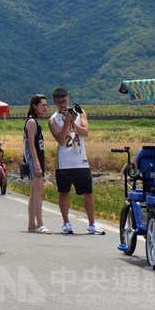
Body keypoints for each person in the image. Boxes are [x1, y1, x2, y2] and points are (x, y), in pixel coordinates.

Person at [48, 87, 105, 235]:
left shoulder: (80, 113)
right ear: (55, 102)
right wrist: (66, 123)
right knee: (64, 192)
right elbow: (60, 140)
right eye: (59, 102)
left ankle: (92, 223)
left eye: (65, 101)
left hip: (81, 161)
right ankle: (66, 223)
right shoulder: (53, 119)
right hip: (64, 162)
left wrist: (74, 123)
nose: (62, 105)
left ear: (69, 99)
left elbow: (85, 132)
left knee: (88, 192)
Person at [24, 94, 50, 233]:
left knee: (34, 193)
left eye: (46, 105)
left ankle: (31, 224)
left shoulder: (34, 121)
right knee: (38, 192)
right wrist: (37, 163)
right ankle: (40, 223)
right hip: (34, 161)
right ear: (35, 106)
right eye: (43, 105)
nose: (45, 108)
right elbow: (31, 145)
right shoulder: (32, 122)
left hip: (36, 160)